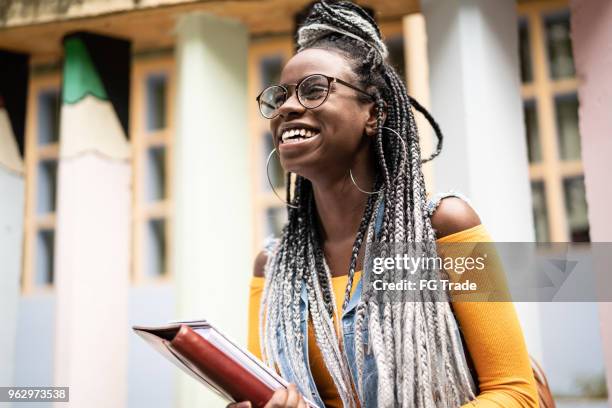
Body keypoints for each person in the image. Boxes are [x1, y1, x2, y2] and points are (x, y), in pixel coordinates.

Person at [232, 1, 539, 407]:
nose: (287, 108)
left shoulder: (445, 226)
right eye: (280, 96)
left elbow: (515, 393)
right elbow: (265, 391)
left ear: (373, 114)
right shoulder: (270, 267)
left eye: (313, 90)